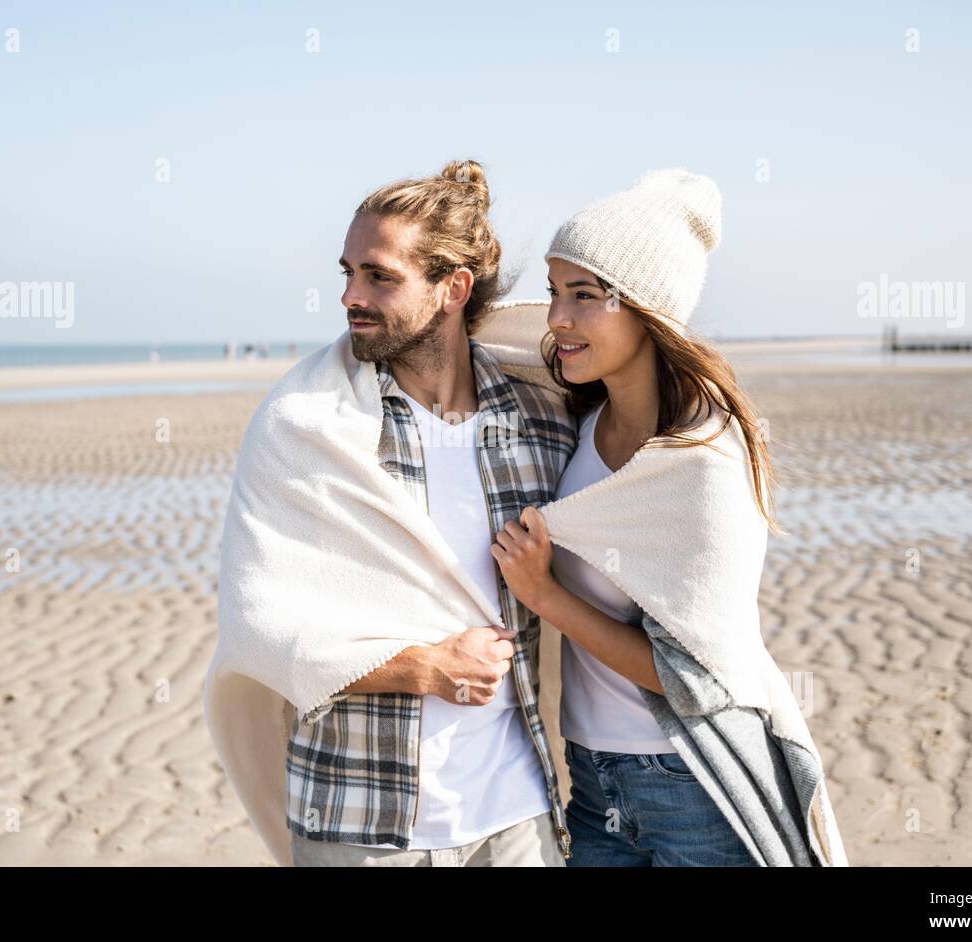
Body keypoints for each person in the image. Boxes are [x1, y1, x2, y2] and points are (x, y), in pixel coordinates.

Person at [222, 159, 579, 866]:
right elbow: (257, 629)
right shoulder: (306, 426)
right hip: (358, 816)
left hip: (517, 810)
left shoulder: (541, 421)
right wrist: (424, 666)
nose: (351, 294)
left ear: (454, 288)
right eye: (347, 271)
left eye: (379, 276)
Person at [491, 168, 846, 866]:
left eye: (585, 296)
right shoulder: (581, 419)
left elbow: (696, 679)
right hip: (592, 780)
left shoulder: (701, 463)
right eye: (555, 292)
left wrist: (544, 597)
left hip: (691, 782)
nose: (557, 317)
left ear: (647, 309)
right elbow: (479, 351)